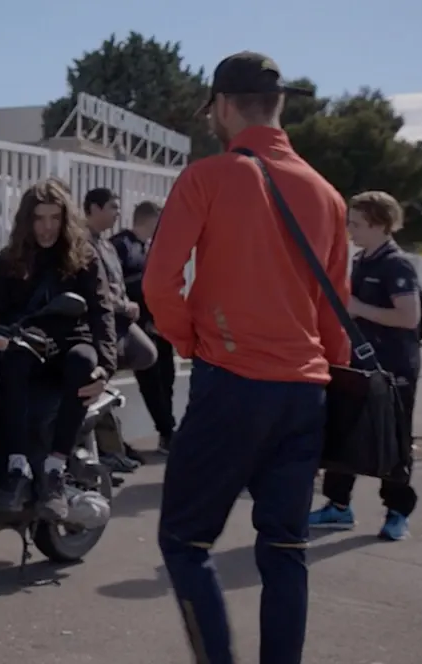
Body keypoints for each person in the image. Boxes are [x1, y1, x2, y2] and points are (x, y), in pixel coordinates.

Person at [143, 51, 349, 664]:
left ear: (224, 106)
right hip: (305, 390)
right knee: (285, 549)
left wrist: (189, 342)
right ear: (278, 107)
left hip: (231, 383)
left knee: (184, 540)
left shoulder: (208, 176)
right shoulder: (328, 194)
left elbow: (159, 284)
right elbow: (336, 308)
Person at [0, 177, 117, 517]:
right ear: (27, 221)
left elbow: (101, 311)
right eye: (39, 218)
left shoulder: (83, 258)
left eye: (55, 218)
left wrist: (106, 366)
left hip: (71, 343)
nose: (47, 227)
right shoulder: (7, 261)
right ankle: (16, 467)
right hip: (26, 345)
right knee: (12, 359)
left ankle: (56, 469)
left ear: (65, 219)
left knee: (84, 361)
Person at [309, 191, 420, 541]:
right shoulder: (361, 261)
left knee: (394, 440)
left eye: (356, 224)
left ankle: (397, 512)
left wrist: (358, 308)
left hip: (394, 368)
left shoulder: (396, 264)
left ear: (378, 224)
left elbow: (409, 317)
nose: (350, 230)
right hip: (357, 363)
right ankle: (338, 506)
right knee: (345, 432)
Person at [83, 187, 158, 472]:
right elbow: (96, 289)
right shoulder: (83, 244)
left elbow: (117, 282)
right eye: (112, 207)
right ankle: (107, 448)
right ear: (94, 208)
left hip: (121, 320)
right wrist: (120, 305)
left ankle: (110, 444)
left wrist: (127, 303)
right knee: (100, 378)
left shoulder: (107, 245)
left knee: (146, 354)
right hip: (101, 323)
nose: (117, 214)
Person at [113, 201, 178, 454]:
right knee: (152, 382)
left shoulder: (148, 247)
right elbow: (119, 286)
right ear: (150, 219)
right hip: (137, 326)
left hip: (158, 326)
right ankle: (167, 431)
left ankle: (167, 430)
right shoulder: (122, 246)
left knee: (167, 378)